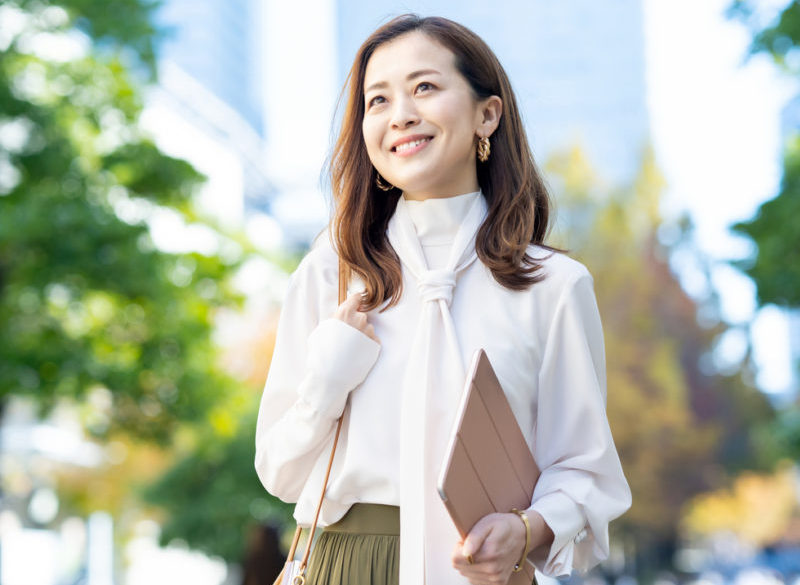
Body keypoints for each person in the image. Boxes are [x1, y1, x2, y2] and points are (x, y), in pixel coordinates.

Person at [254, 14, 631, 585]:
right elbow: (279, 473)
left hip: (483, 571)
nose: (400, 113)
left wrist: (528, 528)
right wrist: (329, 378)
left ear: (488, 113)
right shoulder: (331, 273)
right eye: (377, 100)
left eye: (424, 87)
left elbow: (586, 471)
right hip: (349, 566)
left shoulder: (553, 286)